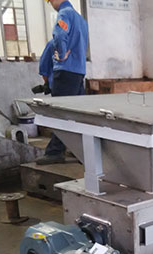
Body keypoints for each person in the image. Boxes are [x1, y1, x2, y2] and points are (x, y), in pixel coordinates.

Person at [36, 0, 88, 165]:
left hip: (65, 72)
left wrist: (62, 53)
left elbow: (59, 35)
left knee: (60, 114)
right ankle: (82, 151)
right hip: (78, 72)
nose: (50, 3)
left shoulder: (64, 14)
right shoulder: (81, 19)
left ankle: (55, 152)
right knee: (77, 114)